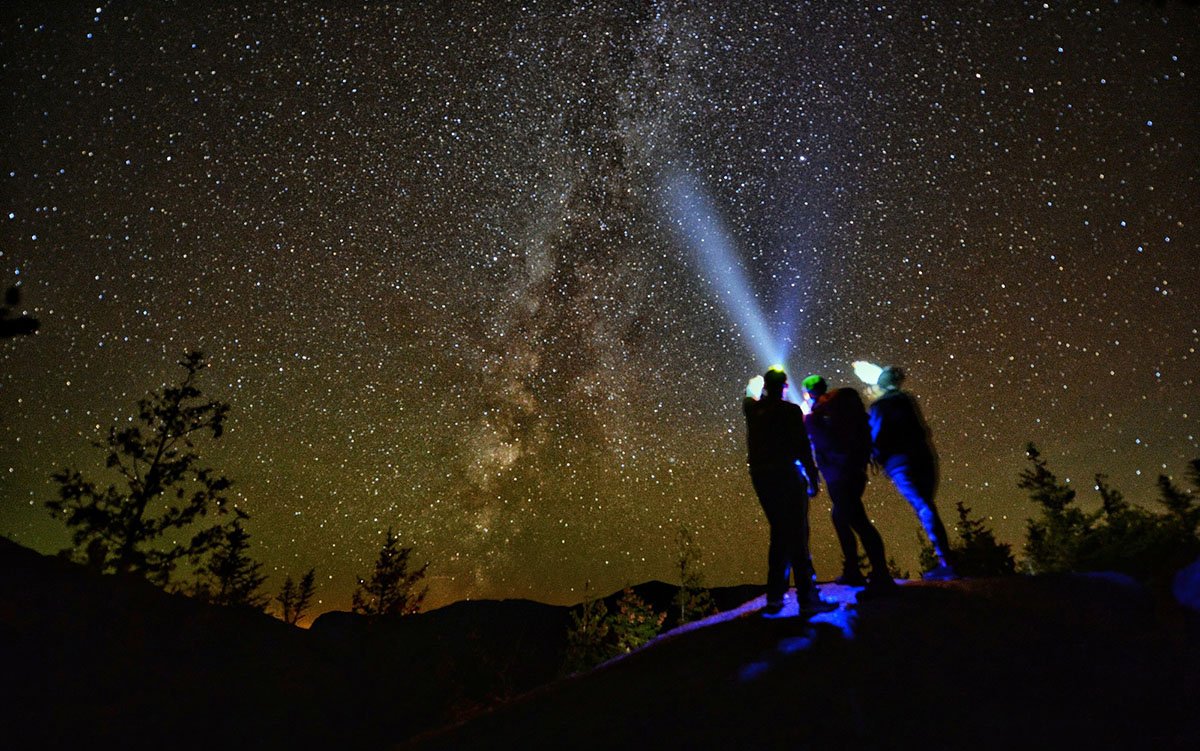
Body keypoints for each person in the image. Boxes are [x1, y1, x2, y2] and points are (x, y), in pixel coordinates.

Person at [743, 366, 830, 614]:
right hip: (787, 475)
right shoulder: (791, 412)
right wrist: (813, 478)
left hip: (761, 477)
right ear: (785, 387)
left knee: (780, 531)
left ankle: (775, 597)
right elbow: (803, 448)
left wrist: (755, 382)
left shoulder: (751, 409)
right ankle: (808, 597)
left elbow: (749, 394)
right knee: (797, 533)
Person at [801, 375, 896, 593]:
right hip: (856, 471)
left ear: (809, 392)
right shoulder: (844, 406)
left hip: (838, 475)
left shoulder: (817, 416)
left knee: (858, 520)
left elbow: (817, 441)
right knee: (840, 517)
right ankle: (853, 570)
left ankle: (881, 576)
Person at [868, 366, 956, 580]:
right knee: (927, 505)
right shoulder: (906, 399)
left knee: (923, 506)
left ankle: (947, 563)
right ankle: (947, 560)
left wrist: (873, 454)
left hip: (900, 463)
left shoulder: (881, 405)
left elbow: (876, 435)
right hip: (924, 457)